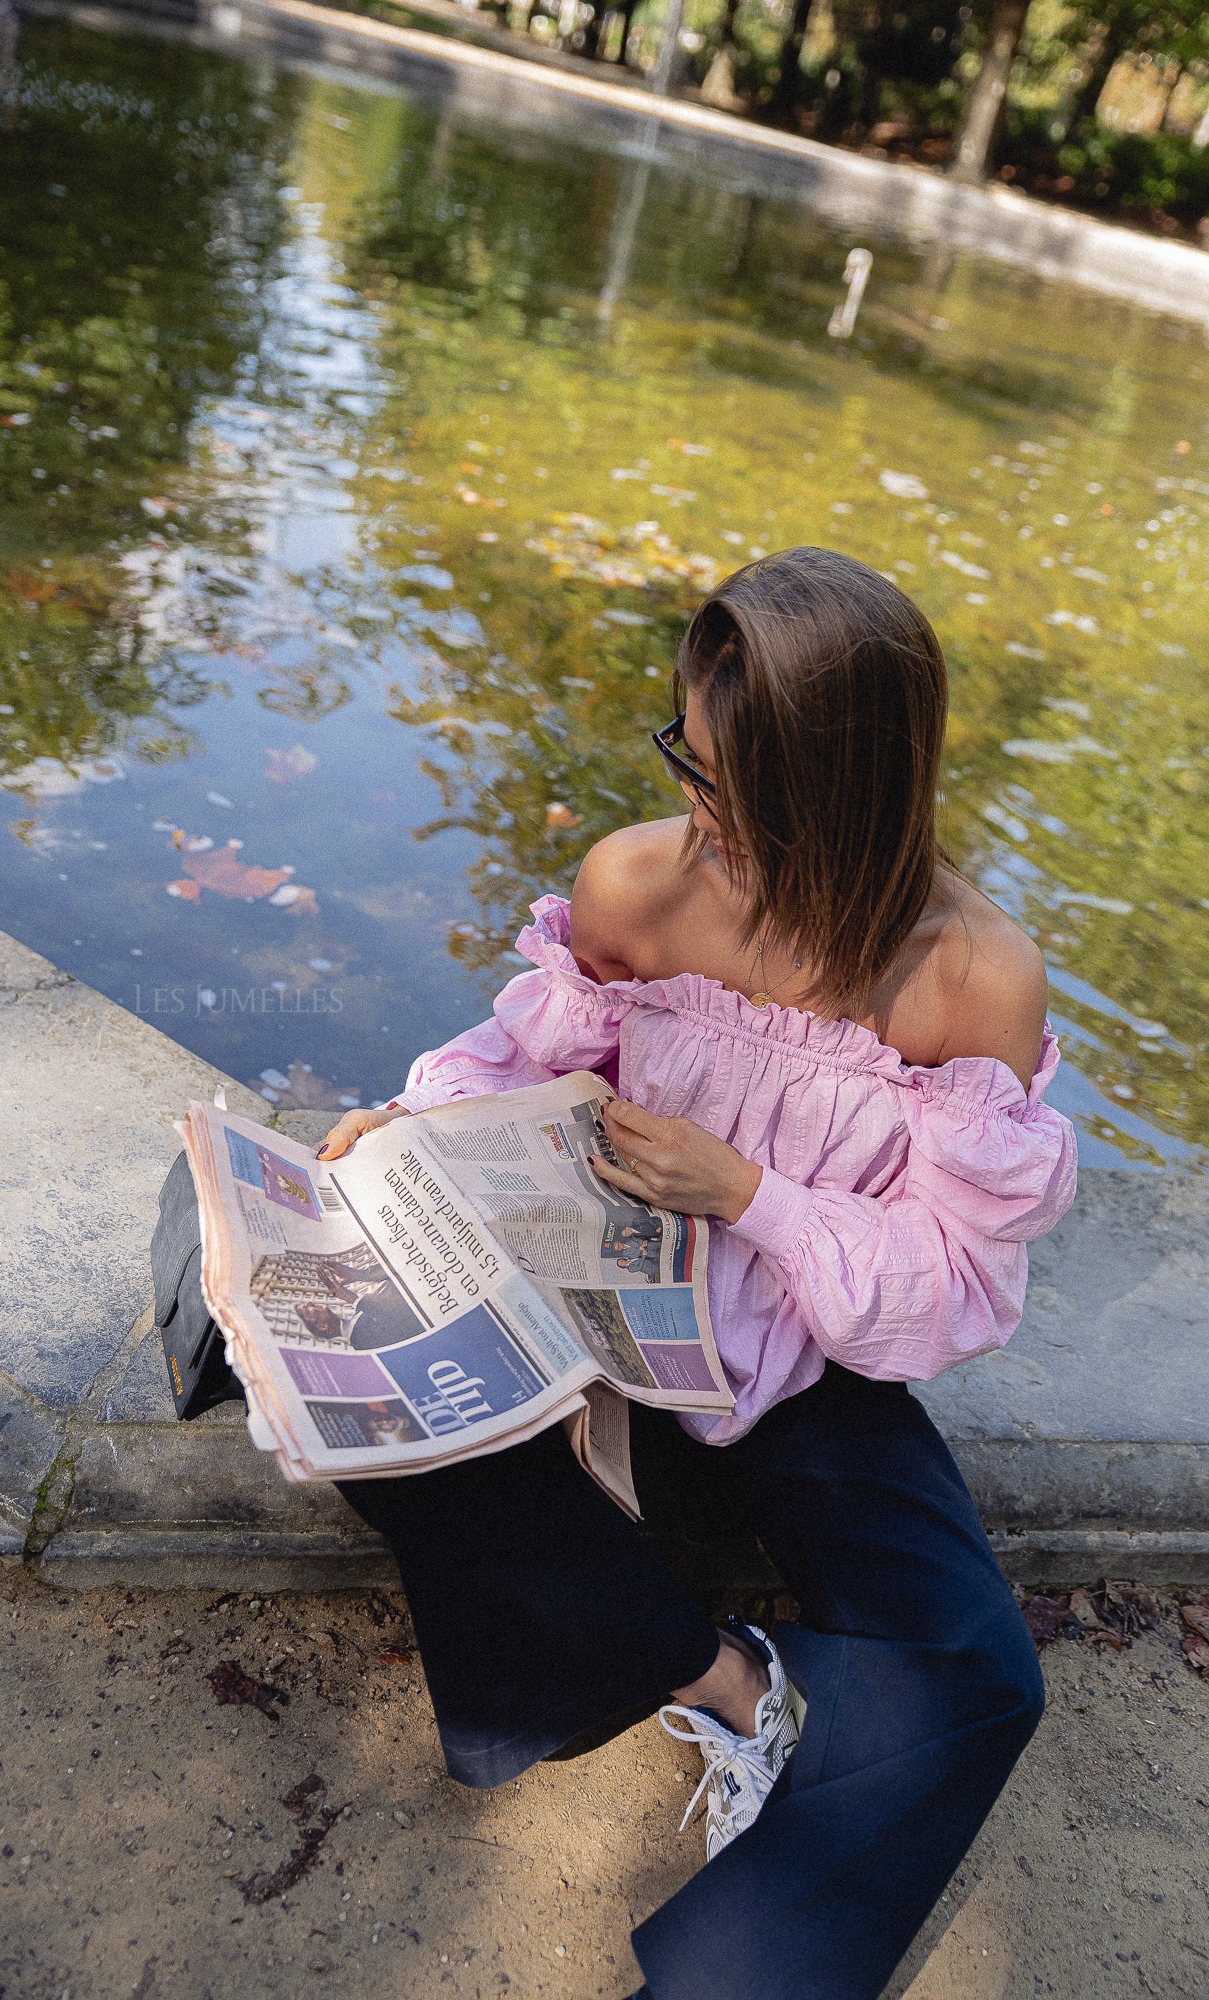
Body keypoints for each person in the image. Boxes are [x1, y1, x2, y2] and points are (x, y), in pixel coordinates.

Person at [317, 548, 1077, 1999]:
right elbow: (524, 1067)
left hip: (803, 1363)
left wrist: (751, 1197)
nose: (690, 799)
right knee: (299, 1353)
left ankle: (729, 1981)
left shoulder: (969, 973)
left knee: (978, 1667)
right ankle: (725, 1682)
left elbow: (955, 1283)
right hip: (599, 1323)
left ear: (848, 789)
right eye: (686, 747)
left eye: (729, 780)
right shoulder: (639, 884)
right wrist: (406, 1130)